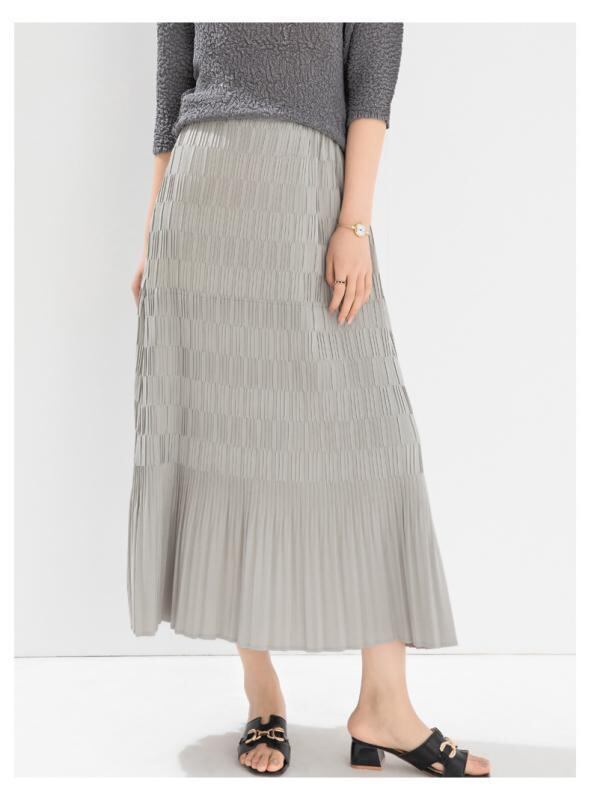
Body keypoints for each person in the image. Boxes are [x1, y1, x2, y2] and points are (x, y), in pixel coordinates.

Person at [128, 22, 490, 778]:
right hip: (200, 206)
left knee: (376, 440)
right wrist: (151, 234)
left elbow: (372, 86)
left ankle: (384, 702)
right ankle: (262, 692)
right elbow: (169, 98)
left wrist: (354, 221)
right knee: (230, 445)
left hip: (309, 201)